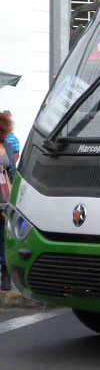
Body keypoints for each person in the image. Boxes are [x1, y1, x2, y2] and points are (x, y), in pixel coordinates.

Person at [0, 111, 17, 291]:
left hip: (5, 195)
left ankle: (5, 272)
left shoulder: (8, 145)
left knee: (4, 235)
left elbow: (11, 171)